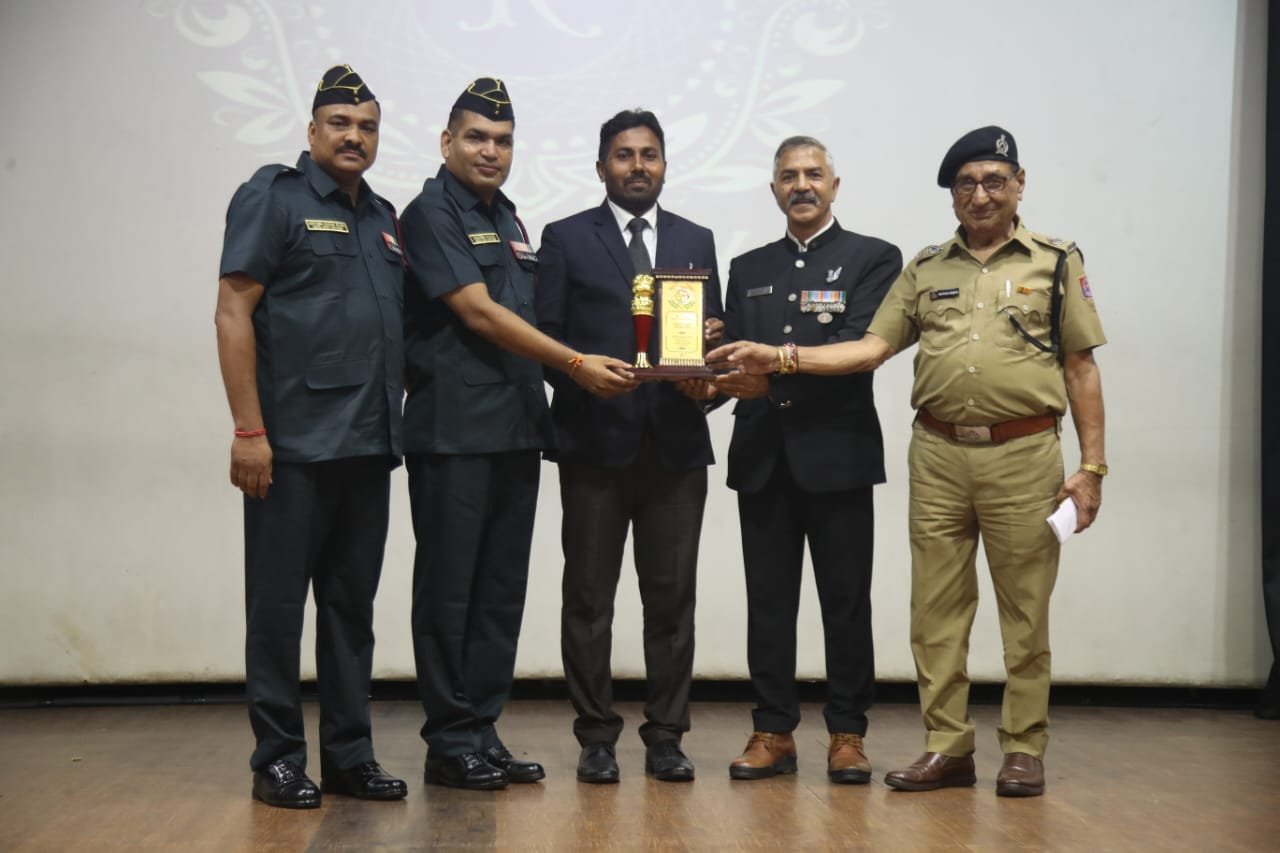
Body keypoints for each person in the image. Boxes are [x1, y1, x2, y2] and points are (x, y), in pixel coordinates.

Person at [709, 126, 1108, 797]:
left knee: (1023, 611)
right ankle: (947, 746)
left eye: (994, 182)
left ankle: (1018, 747)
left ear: (1018, 186)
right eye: (966, 184)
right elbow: (869, 348)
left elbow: (1080, 366)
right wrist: (732, 370)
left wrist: (1092, 468)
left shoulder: (1051, 260)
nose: (980, 195)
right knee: (934, 613)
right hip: (936, 453)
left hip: (1018, 453)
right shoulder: (926, 268)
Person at [399, 78, 635, 791]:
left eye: (502, 141)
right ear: (447, 142)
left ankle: (482, 728)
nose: (490, 151)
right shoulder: (430, 213)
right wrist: (574, 363)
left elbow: (535, 315)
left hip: (515, 428)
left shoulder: (508, 218)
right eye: (476, 137)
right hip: (454, 433)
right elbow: (477, 311)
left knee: (500, 592)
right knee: (450, 593)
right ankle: (449, 741)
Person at [214, 64, 408, 809]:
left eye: (367, 127)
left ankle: (350, 757)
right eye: (340, 124)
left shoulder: (383, 216)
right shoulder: (274, 197)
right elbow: (233, 311)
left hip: (367, 446)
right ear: (312, 130)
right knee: (276, 612)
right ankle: (277, 760)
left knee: (351, 613)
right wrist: (248, 430)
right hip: (291, 448)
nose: (354, 137)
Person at [534, 108, 723, 784]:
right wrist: (581, 373)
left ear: (664, 164)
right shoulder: (565, 238)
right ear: (601, 167)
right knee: (589, 599)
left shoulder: (696, 238)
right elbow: (545, 339)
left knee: (672, 602)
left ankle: (667, 736)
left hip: (676, 448)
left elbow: (710, 342)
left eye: (649, 154)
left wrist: (710, 382)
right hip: (594, 446)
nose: (637, 166)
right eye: (624, 155)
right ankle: (595, 736)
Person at [713, 136, 901, 784]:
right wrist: (699, 381)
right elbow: (732, 362)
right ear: (773, 189)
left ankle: (848, 733)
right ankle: (772, 731)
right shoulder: (747, 266)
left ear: (834, 185)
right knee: (768, 602)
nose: (801, 185)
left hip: (838, 455)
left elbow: (858, 350)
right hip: (762, 456)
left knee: (845, 602)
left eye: (813, 174)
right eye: (789, 176)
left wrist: (772, 374)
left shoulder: (873, 258)